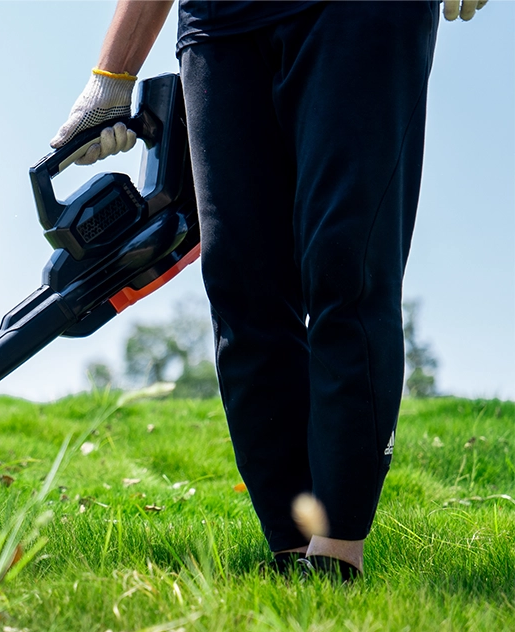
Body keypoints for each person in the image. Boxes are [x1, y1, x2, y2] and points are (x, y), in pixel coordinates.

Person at [50, 0, 488, 581]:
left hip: (358, 16)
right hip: (222, 23)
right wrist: (111, 77)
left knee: (345, 265)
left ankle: (334, 561)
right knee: (241, 283)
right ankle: (290, 555)